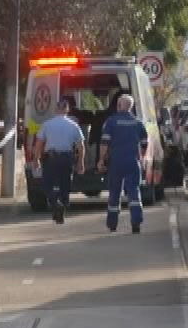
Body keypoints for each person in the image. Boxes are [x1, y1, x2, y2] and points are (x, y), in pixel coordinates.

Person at [98, 93, 151, 233]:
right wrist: (142, 157)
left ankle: (112, 224)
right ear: (131, 107)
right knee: (134, 192)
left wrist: (101, 160)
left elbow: (104, 143)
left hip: (116, 162)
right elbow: (145, 143)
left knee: (115, 192)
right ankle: (136, 223)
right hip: (133, 161)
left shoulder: (111, 122)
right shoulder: (138, 123)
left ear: (119, 105)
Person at [30, 97, 86, 224]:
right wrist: (80, 163)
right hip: (67, 158)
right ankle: (61, 209)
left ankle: (55, 202)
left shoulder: (47, 124)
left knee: (47, 184)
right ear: (67, 110)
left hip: (51, 158)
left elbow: (39, 143)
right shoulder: (74, 125)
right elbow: (81, 147)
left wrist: (36, 159)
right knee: (65, 185)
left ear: (56, 109)